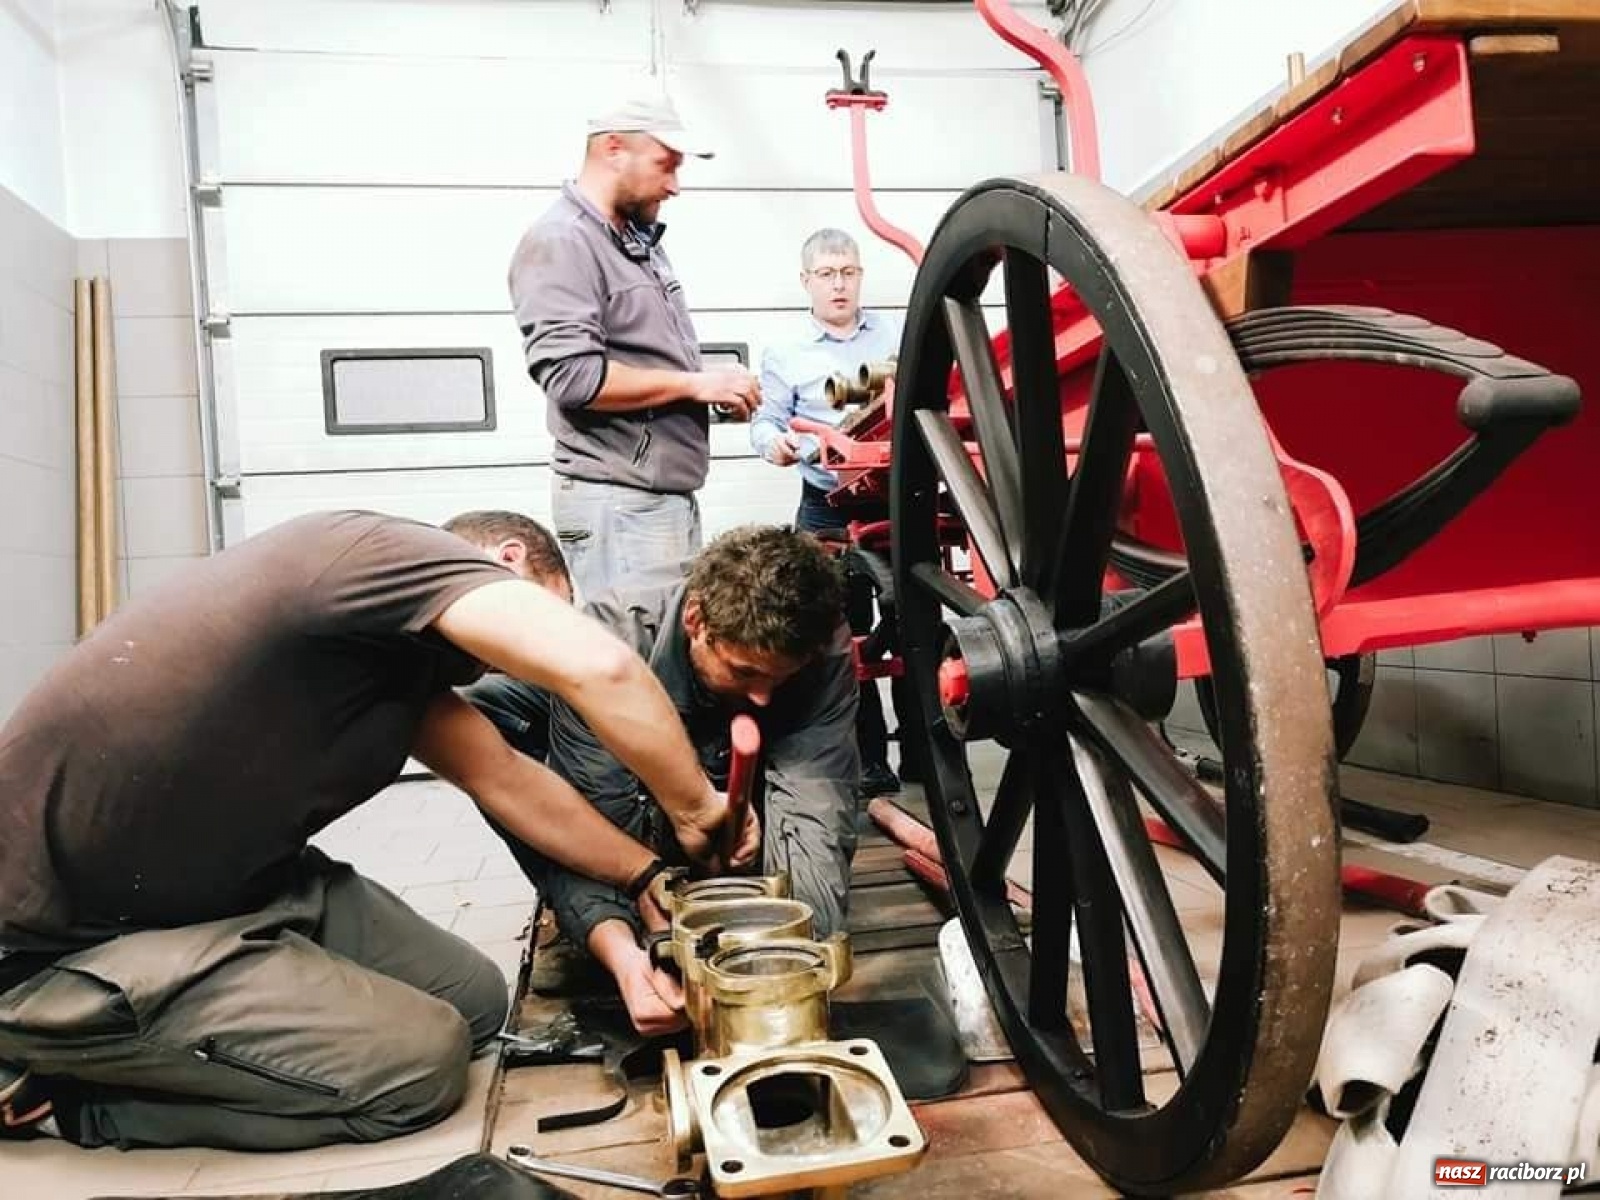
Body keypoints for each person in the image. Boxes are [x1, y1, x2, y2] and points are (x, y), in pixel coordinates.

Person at [0, 509, 755, 1151]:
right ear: (505, 562)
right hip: (65, 944)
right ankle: (64, 1098)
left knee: (475, 1001)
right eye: (553, 607)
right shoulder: (374, 556)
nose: (526, 664)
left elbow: (505, 778)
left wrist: (646, 875)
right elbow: (602, 669)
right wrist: (697, 809)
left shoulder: (393, 665)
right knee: (418, 1072)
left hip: (234, 890)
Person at [463, 525, 859, 1035]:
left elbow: (817, 800)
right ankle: (591, 926)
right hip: (630, 792)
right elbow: (601, 814)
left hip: (738, 806)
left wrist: (800, 943)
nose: (763, 696)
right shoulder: (609, 639)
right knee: (483, 715)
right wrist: (632, 940)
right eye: (744, 672)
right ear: (695, 620)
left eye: (780, 678)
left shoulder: (822, 641)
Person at [510, 90, 760, 602]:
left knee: (665, 642)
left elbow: (642, 357)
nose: (674, 186)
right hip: (620, 503)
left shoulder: (634, 240)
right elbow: (574, 379)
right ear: (613, 149)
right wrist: (695, 384)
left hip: (650, 499)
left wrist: (709, 390)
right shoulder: (562, 241)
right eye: (666, 165)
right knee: (634, 647)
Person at [750, 228, 904, 797]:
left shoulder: (895, 333)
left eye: (848, 272)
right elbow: (766, 421)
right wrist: (774, 444)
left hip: (896, 498)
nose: (839, 284)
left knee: (913, 623)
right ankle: (870, 761)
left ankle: (926, 749)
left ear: (860, 275)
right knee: (842, 637)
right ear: (806, 281)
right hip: (826, 506)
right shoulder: (786, 350)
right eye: (826, 274)